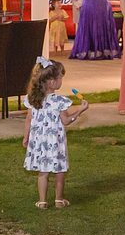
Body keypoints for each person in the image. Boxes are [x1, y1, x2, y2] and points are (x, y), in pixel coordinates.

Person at [23, 57, 90, 208]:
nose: (61, 80)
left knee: (43, 172)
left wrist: (26, 137)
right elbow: (66, 120)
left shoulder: (33, 100)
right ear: (52, 82)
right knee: (59, 171)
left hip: (39, 143)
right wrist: (80, 110)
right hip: (55, 143)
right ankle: (59, 200)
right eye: (60, 77)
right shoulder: (59, 101)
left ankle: (42, 201)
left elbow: (28, 120)